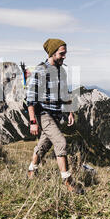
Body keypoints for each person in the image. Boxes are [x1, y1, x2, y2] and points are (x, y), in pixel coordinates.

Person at [26, 38, 84, 194]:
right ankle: (68, 182)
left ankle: (32, 170)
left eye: (65, 53)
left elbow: (64, 93)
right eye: (61, 53)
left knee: (44, 144)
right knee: (61, 142)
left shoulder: (61, 71)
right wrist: (33, 121)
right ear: (52, 53)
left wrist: (70, 111)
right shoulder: (40, 71)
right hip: (43, 113)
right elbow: (30, 99)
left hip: (56, 114)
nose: (64, 57)